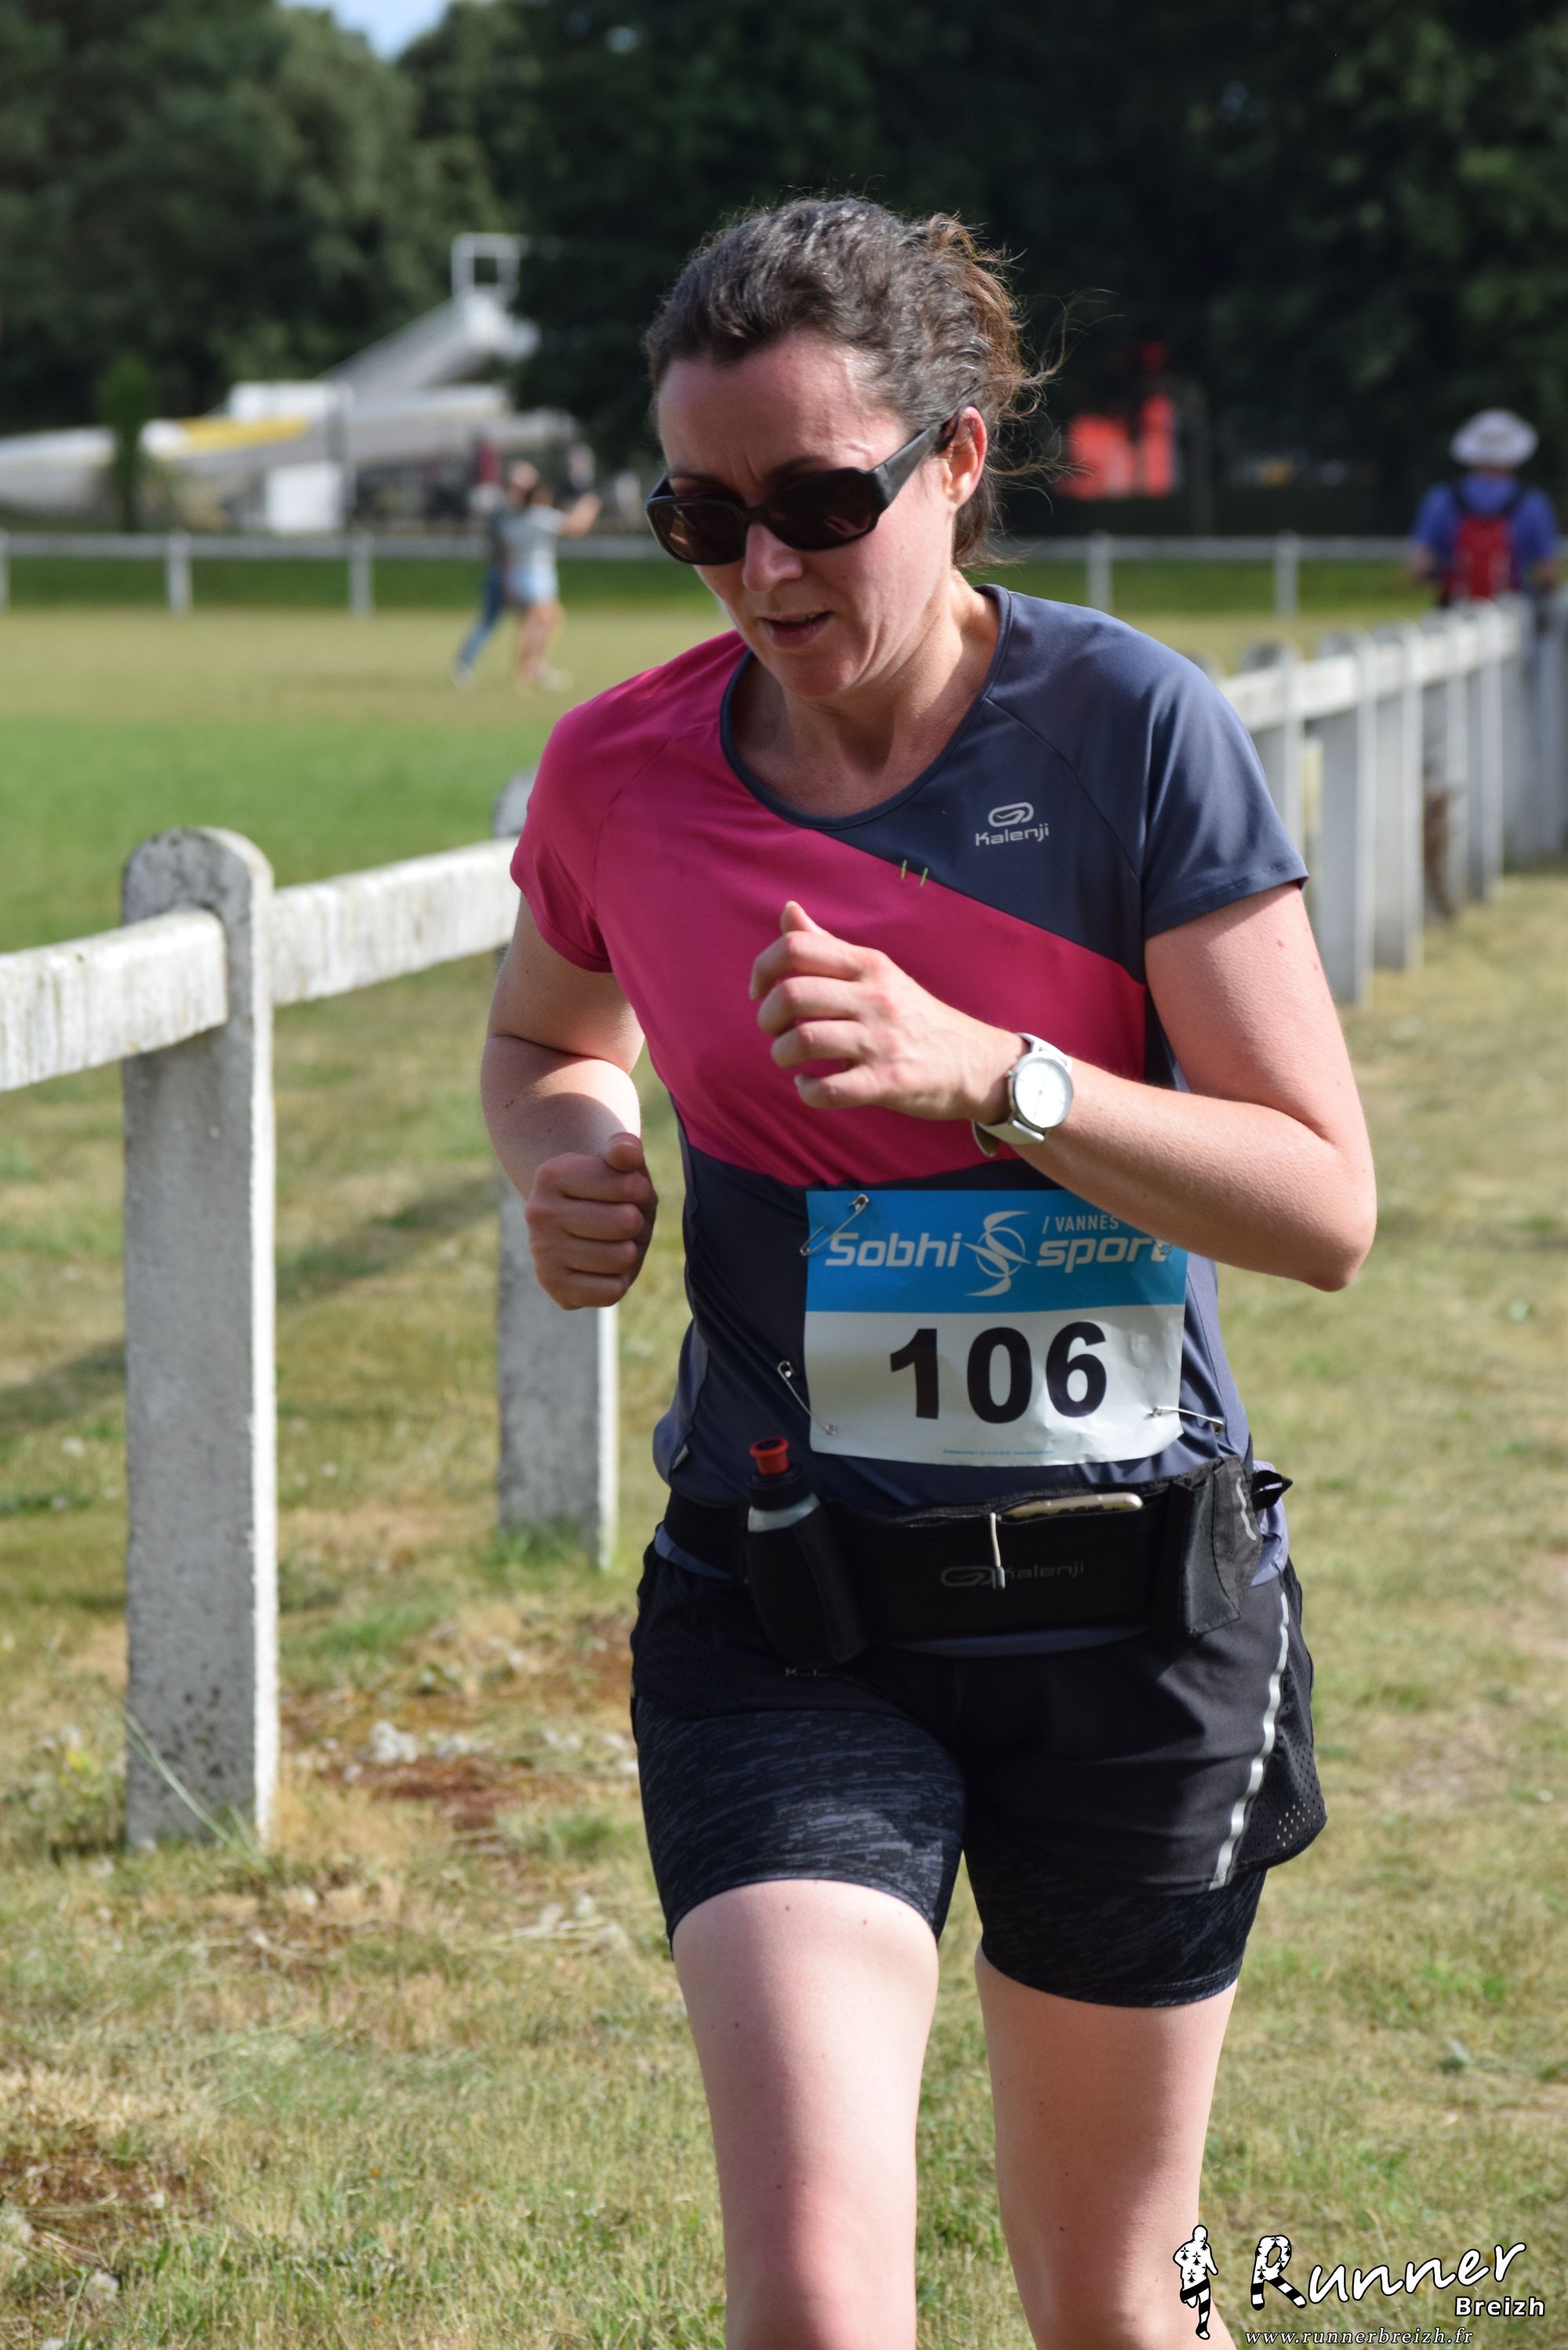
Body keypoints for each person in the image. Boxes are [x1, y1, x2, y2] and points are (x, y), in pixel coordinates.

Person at [482, 197, 1376, 2350]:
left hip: (1128, 1609)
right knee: (812, 2299)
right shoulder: (621, 770)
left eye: (816, 504)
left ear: (956, 458)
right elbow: (543, 1035)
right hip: (792, 1610)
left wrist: (998, 1078)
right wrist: (571, 1148)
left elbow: (1318, 1203)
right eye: (701, 518)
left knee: (1112, 2304)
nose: (762, 571)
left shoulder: (1127, 728)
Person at [1408, 409, 1559, 606]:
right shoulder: (1534, 502)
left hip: (1456, 610)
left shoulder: (1442, 497)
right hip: (1514, 610)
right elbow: (1547, 575)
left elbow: (1419, 567)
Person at [495, 459, 601, 691]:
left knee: (549, 620)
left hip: (523, 576)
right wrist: (590, 504)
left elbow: (508, 555)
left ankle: (534, 669)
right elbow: (576, 526)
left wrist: (508, 582)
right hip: (536, 578)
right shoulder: (538, 517)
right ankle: (526, 672)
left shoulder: (511, 518)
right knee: (537, 625)